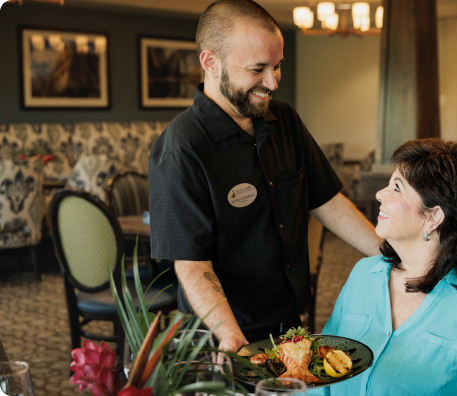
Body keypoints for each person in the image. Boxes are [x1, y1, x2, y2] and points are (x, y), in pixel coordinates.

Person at [148, 0, 382, 354]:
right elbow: (192, 265)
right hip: (224, 335)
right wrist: (230, 336)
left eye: (278, 66)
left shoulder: (284, 119)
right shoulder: (181, 149)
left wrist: (392, 254)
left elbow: (328, 202)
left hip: (288, 321)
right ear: (211, 63)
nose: (272, 82)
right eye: (258, 69)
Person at [311, 138, 457, 395]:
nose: (381, 194)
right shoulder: (363, 275)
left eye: (397, 188)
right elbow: (319, 375)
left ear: (433, 217)